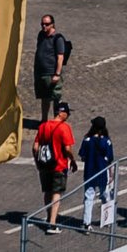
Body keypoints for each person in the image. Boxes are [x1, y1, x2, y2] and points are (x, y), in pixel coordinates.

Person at [33, 99, 75, 232]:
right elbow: (67, 149)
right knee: (56, 192)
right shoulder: (64, 127)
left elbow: (35, 147)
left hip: (44, 165)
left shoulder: (43, 126)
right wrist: (72, 161)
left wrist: (37, 161)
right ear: (62, 113)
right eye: (67, 113)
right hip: (58, 165)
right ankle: (52, 223)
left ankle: (48, 216)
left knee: (47, 191)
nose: (68, 115)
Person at [78, 115, 116, 231]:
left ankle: (86, 223)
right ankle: (107, 219)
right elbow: (110, 158)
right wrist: (111, 173)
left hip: (89, 172)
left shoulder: (87, 140)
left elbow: (82, 156)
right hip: (102, 172)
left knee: (89, 197)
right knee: (105, 195)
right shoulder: (106, 141)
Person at [33, 12, 72, 113]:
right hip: (41, 72)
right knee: (44, 98)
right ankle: (44, 120)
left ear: (52, 24)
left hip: (51, 73)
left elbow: (60, 57)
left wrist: (57, 74)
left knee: (55, 97)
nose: (43, 26)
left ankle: (56, 119)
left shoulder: (57, 38)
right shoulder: (41, 35)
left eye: (46, 24)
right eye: (42, 24)